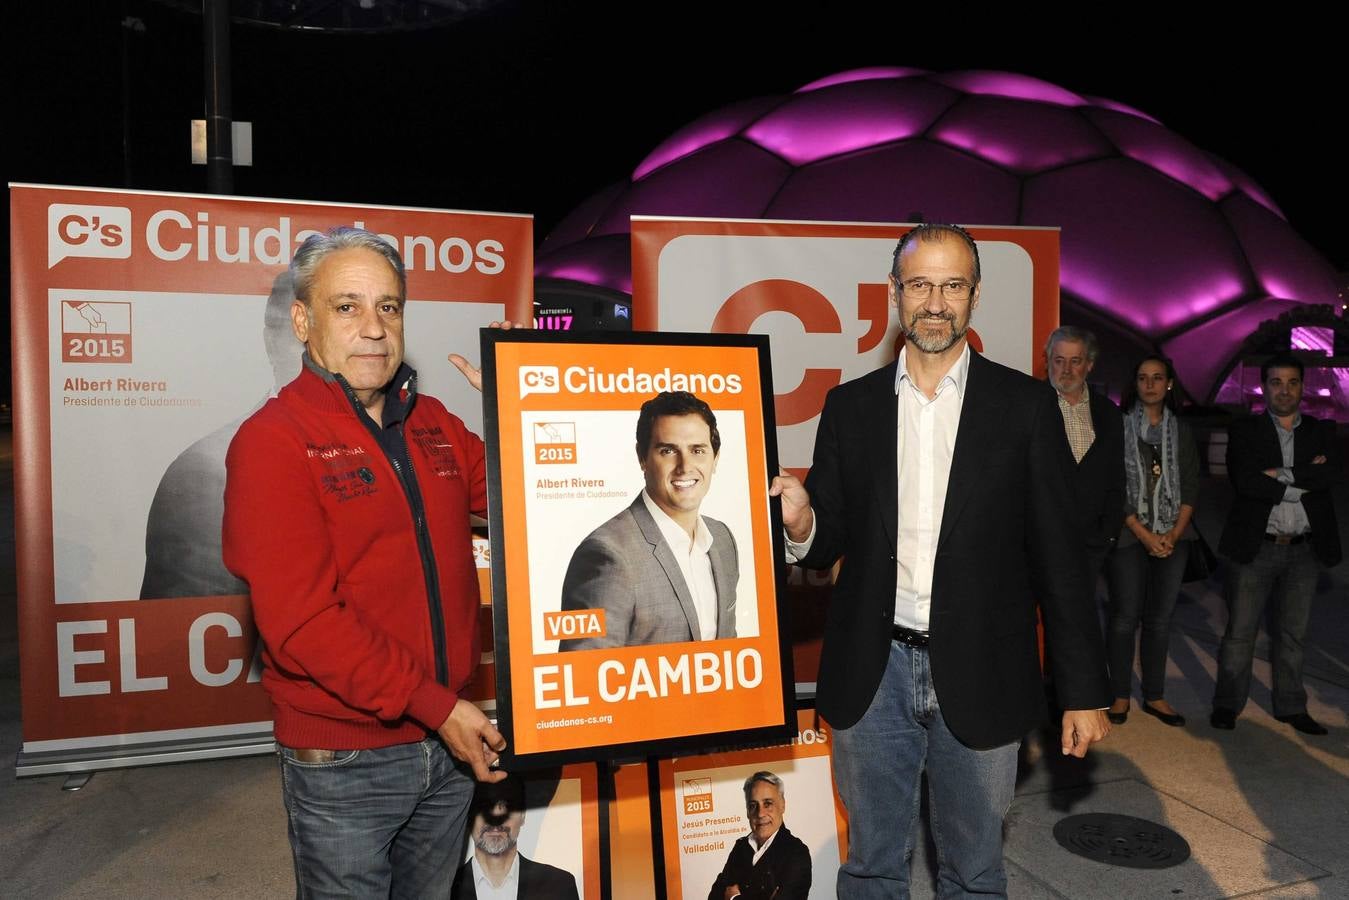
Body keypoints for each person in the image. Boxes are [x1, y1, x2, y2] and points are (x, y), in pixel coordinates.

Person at [770, 223, 1110, 898]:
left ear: (974, 296)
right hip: (873, 676)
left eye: (952, 285)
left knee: (974, 870)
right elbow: (829, 535)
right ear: (893, 293)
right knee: (870, 865)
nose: (935, 302)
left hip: (985, 668)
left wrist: (1082, 691)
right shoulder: (850, 408)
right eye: (920, 284)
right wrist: (803, 521)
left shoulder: (1024, 408)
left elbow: (1060, 561)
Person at [222, 227, 508, 899]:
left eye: (389, 306)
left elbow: (528, 498)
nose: (374, 327)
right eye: (347, 306)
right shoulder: (273, 442)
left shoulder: (433, 421)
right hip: (346, 758)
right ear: (303, 321)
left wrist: (532, 389)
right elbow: (302, 623)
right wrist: (437, 707)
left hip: (447, 743)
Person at [140, 271, 303, 599]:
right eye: (303, 330)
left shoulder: (397, 441)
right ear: (271, 343)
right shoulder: (208, 472)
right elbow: (203, 631)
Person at [1212, 354, 1342, 735]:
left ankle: (1290, 706)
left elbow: (1328, 476)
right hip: (1257, 547)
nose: (1284, 390)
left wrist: (1280, 475)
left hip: (1304, 550)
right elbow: (1246, 482)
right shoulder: (1246, 430)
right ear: (1263, 386)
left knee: (1293, 635)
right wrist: (1304, 479)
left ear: (1302, 387)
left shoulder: (1322, 430)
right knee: (1240, 633)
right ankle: (1227, 704)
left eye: (1291, 382)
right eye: (1275, 382)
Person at [559, 390, 738, 650]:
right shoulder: (607, 554)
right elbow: (586, 676)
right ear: (642, 457)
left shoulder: (722, 539)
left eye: (698, 450)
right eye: (668, 450)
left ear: (715, 459)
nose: (685, 466)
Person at [1104, 355, 1201, 727]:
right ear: (1135, 384)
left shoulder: (1183, 431)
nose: (1150, 384)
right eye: (1143, 378)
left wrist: (1172, 534)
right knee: (1124, 617)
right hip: (1129, 535)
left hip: (1175, 538)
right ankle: (1119, 695)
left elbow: (1191, 485)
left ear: (1169, 384)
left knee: (1159, 620)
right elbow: (1114, 488)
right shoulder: (1118, 427)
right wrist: (1145, 534)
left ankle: (1156, 696)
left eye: (1157, 378)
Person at [1044, 326, 1125, 583]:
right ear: (1048, 362)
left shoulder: (1109, 413)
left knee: (1080, 619)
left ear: (1089, 365)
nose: (1066, 370)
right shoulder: (1029, 405)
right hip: (1040, 543)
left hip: (1091, 546)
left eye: (1075, 361)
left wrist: (1108, 533)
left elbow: (1116, 477)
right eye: (1059, 360)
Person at [451, 774, 580, 900]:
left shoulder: (559, 886)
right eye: (485, 806)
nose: (496, 817)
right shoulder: (445, 887)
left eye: (507, 806)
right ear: (468, 816)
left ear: (523, 816)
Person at [708, 771, 811, 900]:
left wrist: (734, 897)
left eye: (767, 804)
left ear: (783, 805)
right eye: (753, 805)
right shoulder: (740, 848)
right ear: (747, 812)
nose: (760, 813)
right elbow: (714, 896)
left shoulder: (797, 853)